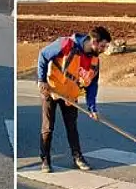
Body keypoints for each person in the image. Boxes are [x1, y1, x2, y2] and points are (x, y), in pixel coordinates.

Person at [36, 26, 112, 173]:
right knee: (48, 127)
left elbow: (92, 85)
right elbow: (43, 55)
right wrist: (41, 80)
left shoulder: (95, 61)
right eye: (102, 46)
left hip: (70, 96)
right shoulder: (66, 44)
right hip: (51, 90)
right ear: (94, 42)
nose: (104, 49)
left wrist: (92, 108)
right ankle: (45, 159)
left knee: (72, 127)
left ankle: (78, 157)